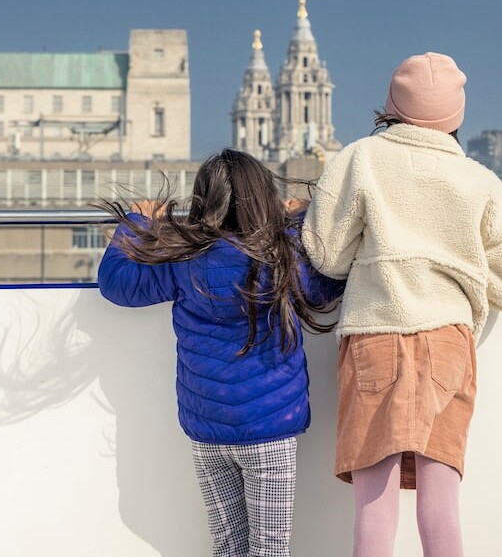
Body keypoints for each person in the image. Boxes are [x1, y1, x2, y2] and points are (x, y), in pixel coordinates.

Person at [301, 52, 502, 557]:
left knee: (373, 500)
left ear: (393, 105)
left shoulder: (360, 158)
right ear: (457, 116)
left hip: (374, 337)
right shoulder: (480, 181)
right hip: (447, 340)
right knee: (441, 497)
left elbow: (326, 254)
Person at [96, 148, 343, 557]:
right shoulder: (284, 254)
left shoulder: (183, 256)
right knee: (270, 547)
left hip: (207, 426)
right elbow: (329, 281)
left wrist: (139, 220)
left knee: (228, 546)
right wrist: (302, 215)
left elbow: (117, 283)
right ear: (264, 197)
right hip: (270, 428)